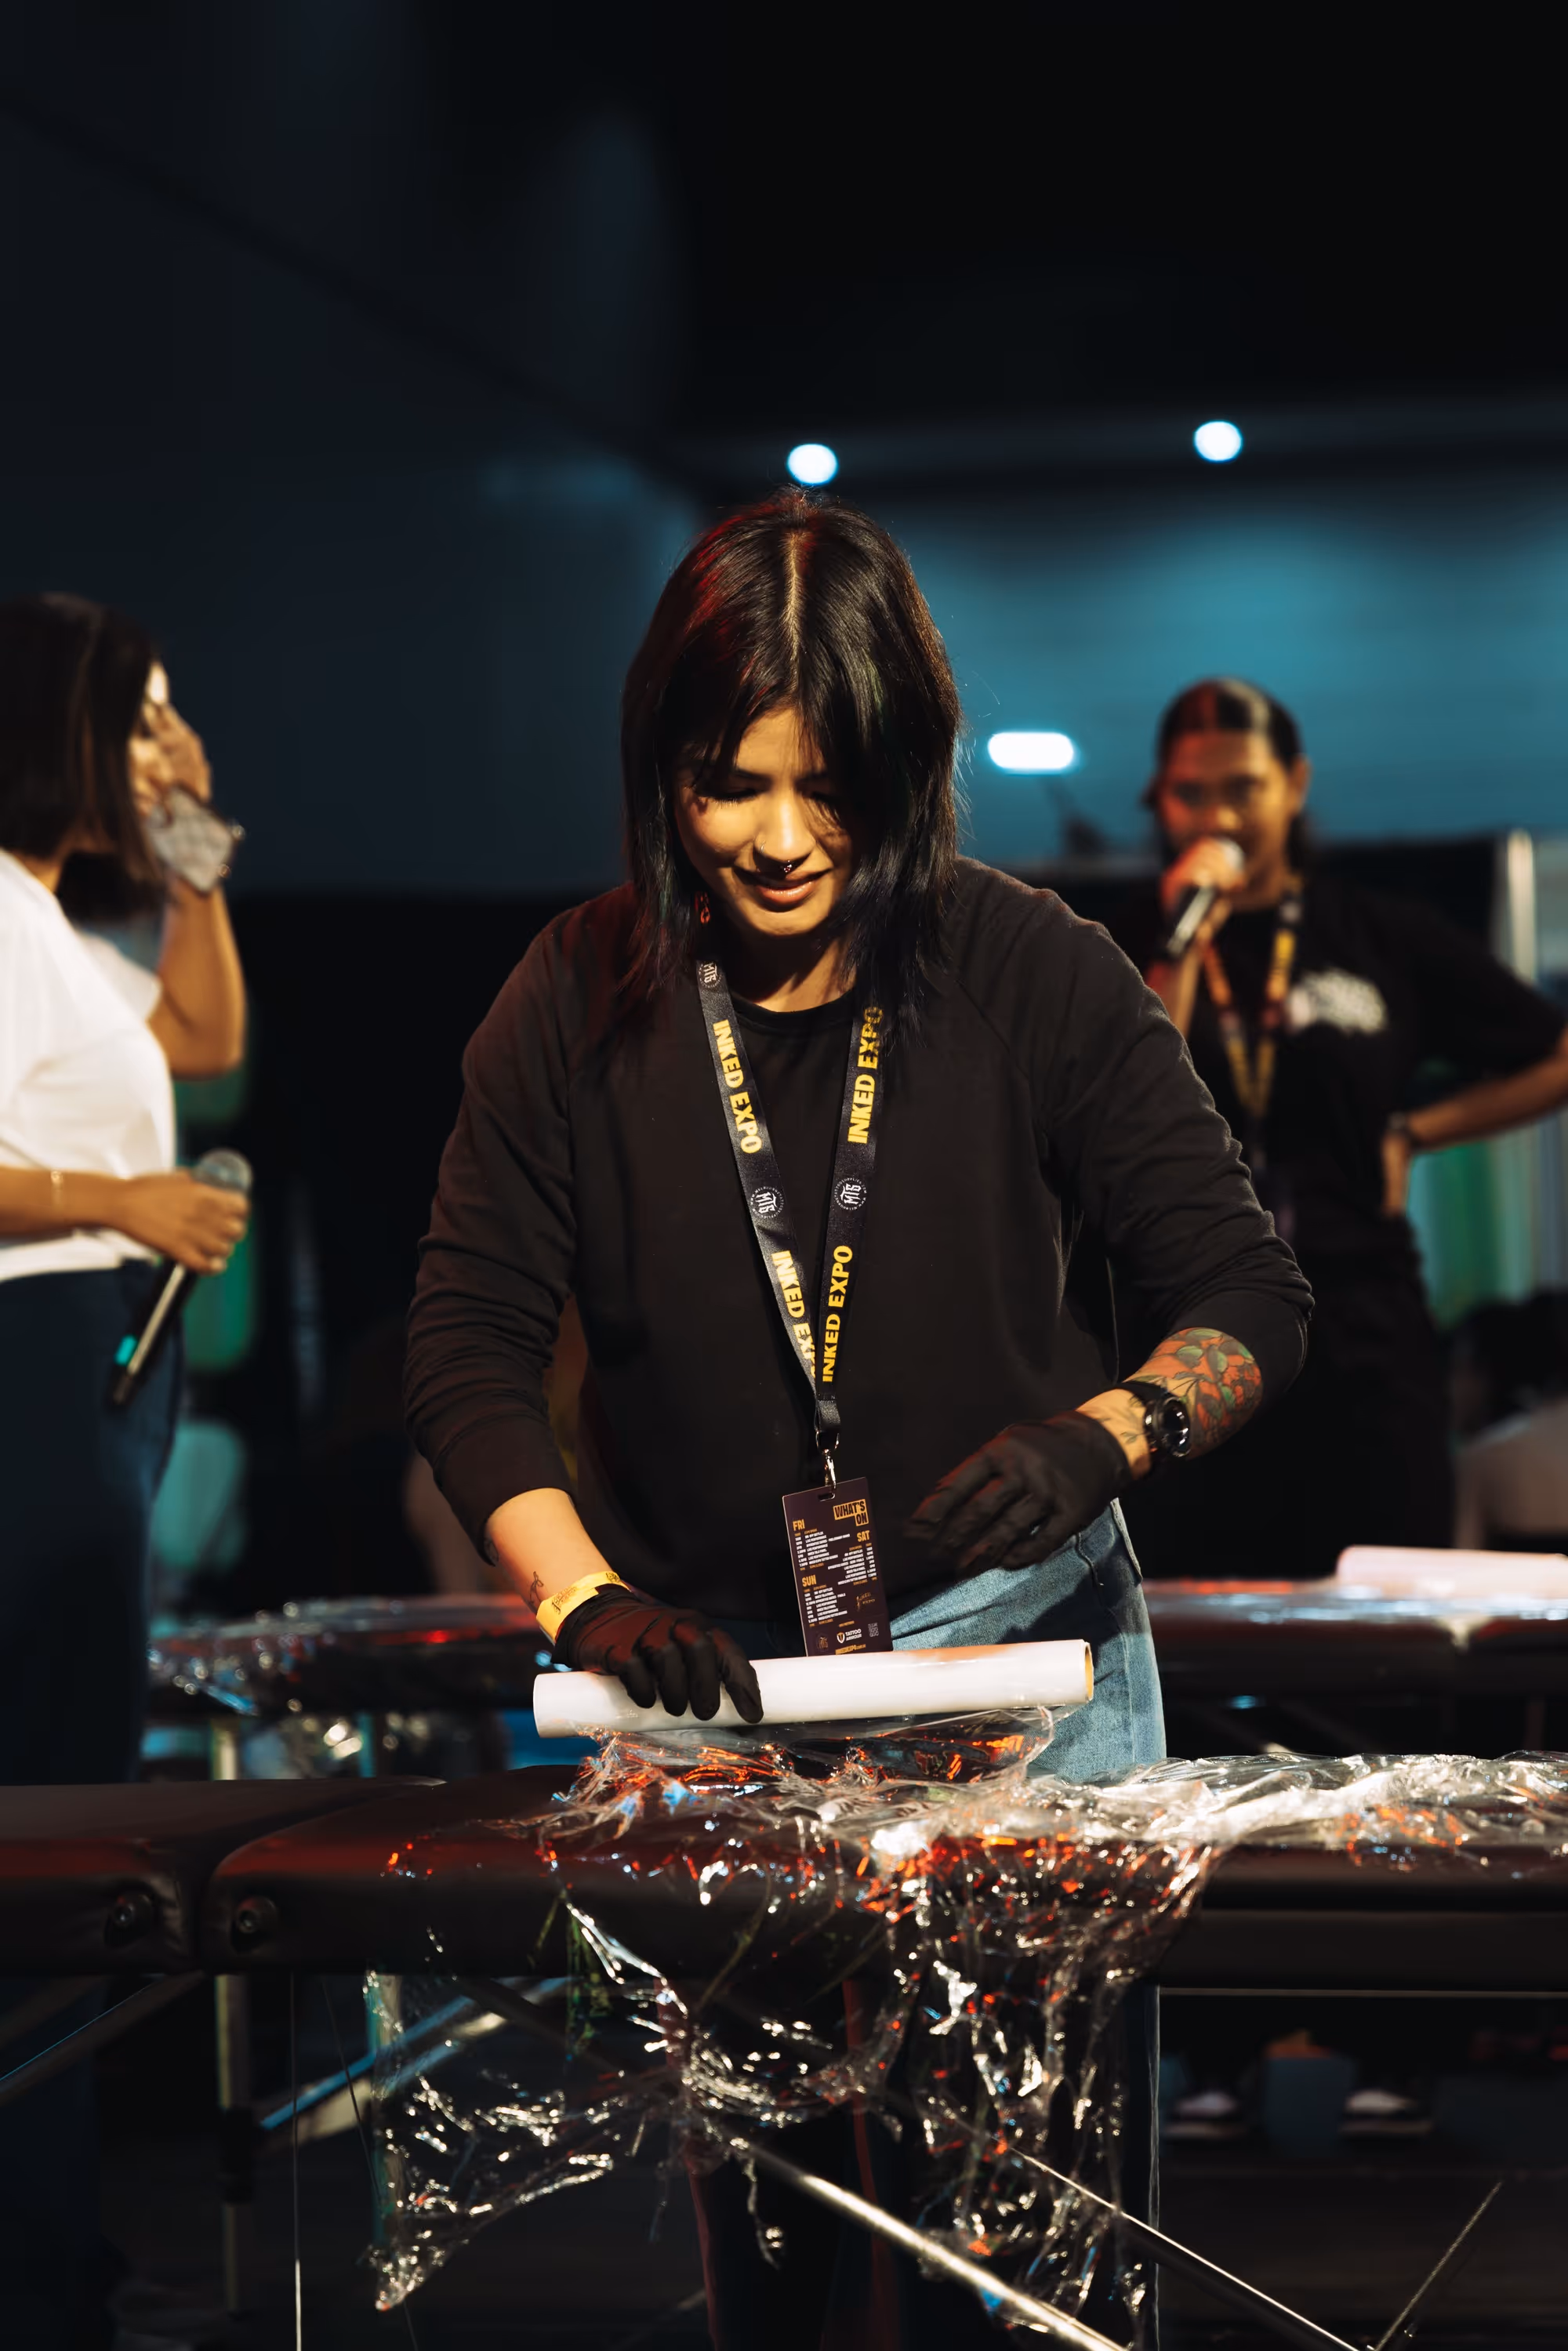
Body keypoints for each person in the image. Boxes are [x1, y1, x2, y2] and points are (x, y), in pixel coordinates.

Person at [406, 497, 1309, 2349]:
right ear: (663, 767)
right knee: (776, 2225)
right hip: (719, 1679)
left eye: (834, 788)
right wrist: (579, 1598)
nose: (784, 839)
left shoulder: (1029, 963)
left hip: (1016, 1673)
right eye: (730, 786)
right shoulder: (570, 997)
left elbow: (1246, 1295)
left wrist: (1104, 1434)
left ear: (908, 771)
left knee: (1021, 2252)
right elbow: (466, 1345)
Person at [0, 592, 247, 2350]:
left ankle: (54, 2246)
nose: (158, 740)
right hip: (31, 1363)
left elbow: (206, 1041)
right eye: (140, 717)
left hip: (106, 1373)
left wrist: (193, 841)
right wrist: (116, 1200)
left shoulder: (58, 930)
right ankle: (34, 2264)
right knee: (39, 1818)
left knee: (66, 1801)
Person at [1112, 677, 1568, 1582]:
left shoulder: (1373, 934)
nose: (1218, 813)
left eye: (1242, 786)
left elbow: (1553, 1052)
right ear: (1157, 800)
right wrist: (1178, 935)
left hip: (1358, 1318)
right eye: (1190, 792)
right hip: (1188, 1320)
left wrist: (1414, 1130)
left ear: (1294, 784)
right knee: (1200, 1601)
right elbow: (1132, 1082)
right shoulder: (1121, 942)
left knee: (1381, 1586)